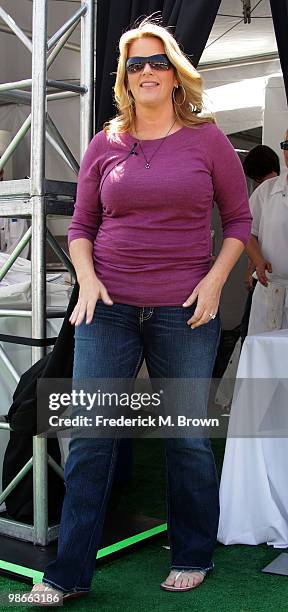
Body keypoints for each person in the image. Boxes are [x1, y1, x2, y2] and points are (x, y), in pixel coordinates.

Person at [30, 18, 251, 604]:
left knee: (185, 439)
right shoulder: (106, 143)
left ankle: (193, 554)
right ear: (124, 79)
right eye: (135, 64)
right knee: (91, 436)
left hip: (186, 309)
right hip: (107, 307)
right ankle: (68, 573)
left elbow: (238, 222)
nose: (147, 71)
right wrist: (86, 279)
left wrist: (214, 280)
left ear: (176, 75)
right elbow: (81, 226)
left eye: (158, 62)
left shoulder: (207, 140)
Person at [246, 131, 288, 335]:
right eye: (286, 145)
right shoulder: (265, 192)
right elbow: (245, 229)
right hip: (271, 289)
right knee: (266, 356)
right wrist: (257, 259)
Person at [240, 145, 280, 341]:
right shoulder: (265, 192)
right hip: (269, 283)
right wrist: (256, 262)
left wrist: (252, 268)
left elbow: (251, 233)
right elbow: (250, 231)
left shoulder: (264, 191)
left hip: (266, 281)